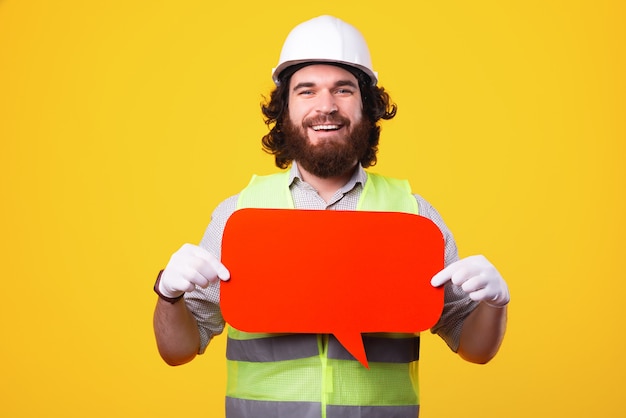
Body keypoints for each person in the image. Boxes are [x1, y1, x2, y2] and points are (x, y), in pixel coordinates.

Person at [153, 15, 509, 418]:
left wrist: (494, 305)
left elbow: (474, 348)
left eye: (343, 89)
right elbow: (178, 350)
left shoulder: (414, 215)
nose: (326, 106)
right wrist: (169, 294)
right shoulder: (238, 215)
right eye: (307, 91)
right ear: (284, 109)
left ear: (367, 107)